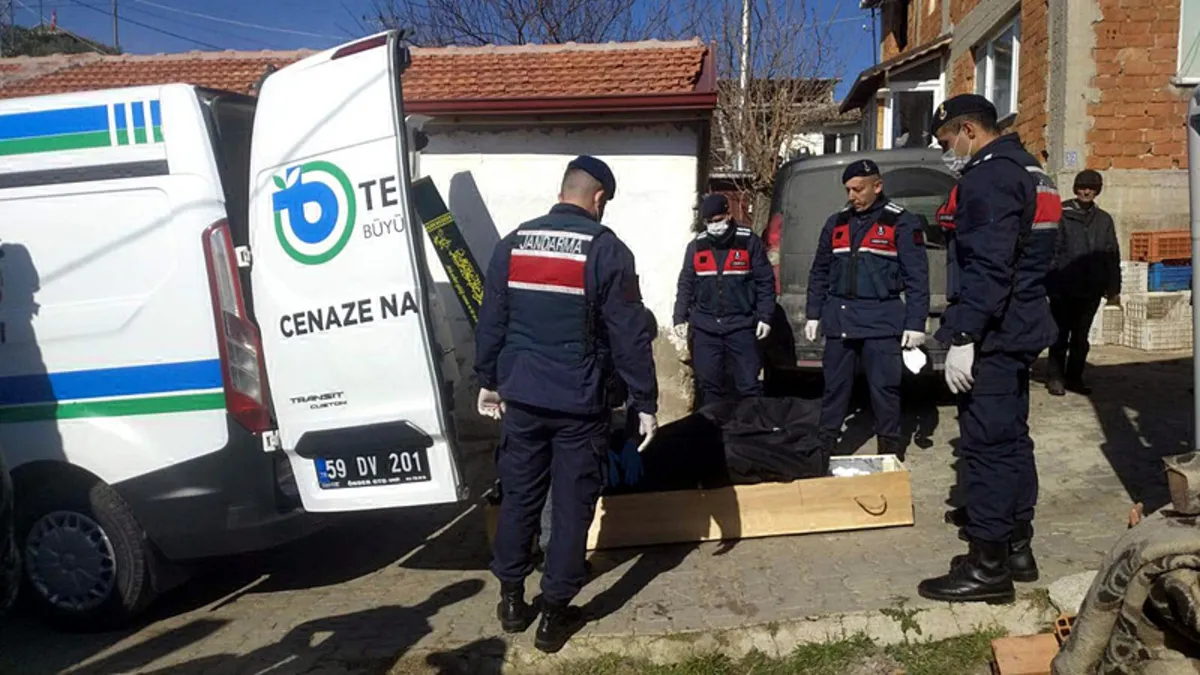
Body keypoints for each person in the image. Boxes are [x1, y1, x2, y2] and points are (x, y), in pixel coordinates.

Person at [474, 156, 659, 653]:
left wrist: (488, 379)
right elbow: (629, 335)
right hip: (580, 403)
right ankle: (553, 613)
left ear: (564, 190)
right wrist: (645, 400)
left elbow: (491, 319)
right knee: (574, 507)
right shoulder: (607, 250)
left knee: (520, 497)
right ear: (598, 198)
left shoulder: (512, 244)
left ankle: (512, 599)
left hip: (523, 398)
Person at [918, 95, 1061, 604]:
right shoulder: (1031, 168)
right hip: (1021, 323)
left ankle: (988, 567)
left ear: (967, 131)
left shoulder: (989, 176)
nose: (945, 153)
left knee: (988, 447)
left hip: (995, 332)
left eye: (945, 142)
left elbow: (989, 264)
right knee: (1013, 439)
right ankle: (1017, 548)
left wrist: (964, 336)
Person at [804, 159, 930, 458]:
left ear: (877, 186)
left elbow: (916, 276)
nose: (852, 196)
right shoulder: (836, 223)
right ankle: (825, 448)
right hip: (840, 318)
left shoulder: (901, 222)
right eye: (848, 190)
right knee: (835, 390)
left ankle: (889, 449)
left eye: (858, 189)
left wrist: (915, 322)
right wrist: (813, 312)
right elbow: (819, 270)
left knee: (884, 390)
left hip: (882, 320)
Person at [672, 194, 776, 407]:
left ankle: (751, 433)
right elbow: (686, 284)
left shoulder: (748, 242)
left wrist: (765, 316)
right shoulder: (696, 247)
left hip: (742, 326)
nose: (714, 226)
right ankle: (715, 433)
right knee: (709, 386)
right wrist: (679, 317)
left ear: (729, 215)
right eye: (709, 222)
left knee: (749, 385)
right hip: (706, 328)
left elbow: (765, 281)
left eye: (717, 219)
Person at [1045, 169, 1120, 396]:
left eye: (1091, 188)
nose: (1086, 192)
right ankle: (1055, 377)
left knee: (1081, 337)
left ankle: (1074, 377)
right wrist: (1051, 284)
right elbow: (1054, 252)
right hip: (1064, 287)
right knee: (1059, 335)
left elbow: (1111, 254)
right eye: (1082, 187)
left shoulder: (1104, 219)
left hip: (1091, 288)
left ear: (1097, 191)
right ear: (1075, 189)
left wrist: (1113, 288)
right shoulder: (1062, 214)